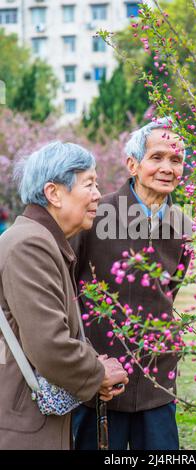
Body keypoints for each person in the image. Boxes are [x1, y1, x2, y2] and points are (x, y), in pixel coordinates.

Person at [71, 118, 192, 450]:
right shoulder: (95, 214)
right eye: (157, 158)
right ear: (133, 164)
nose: (167, 168)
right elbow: (67, 290)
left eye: (176, 159)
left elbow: (170, 290)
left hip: (157, 380)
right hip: (100, 382)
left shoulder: (182, 226)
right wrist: (85, 363)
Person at [0, 142, 128, 450]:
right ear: (54, 193)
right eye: (89, 184)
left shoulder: (42, 240)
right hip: (23, 427)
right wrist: (98, 373)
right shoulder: (31, 245)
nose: (98, 194)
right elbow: (49, 344)